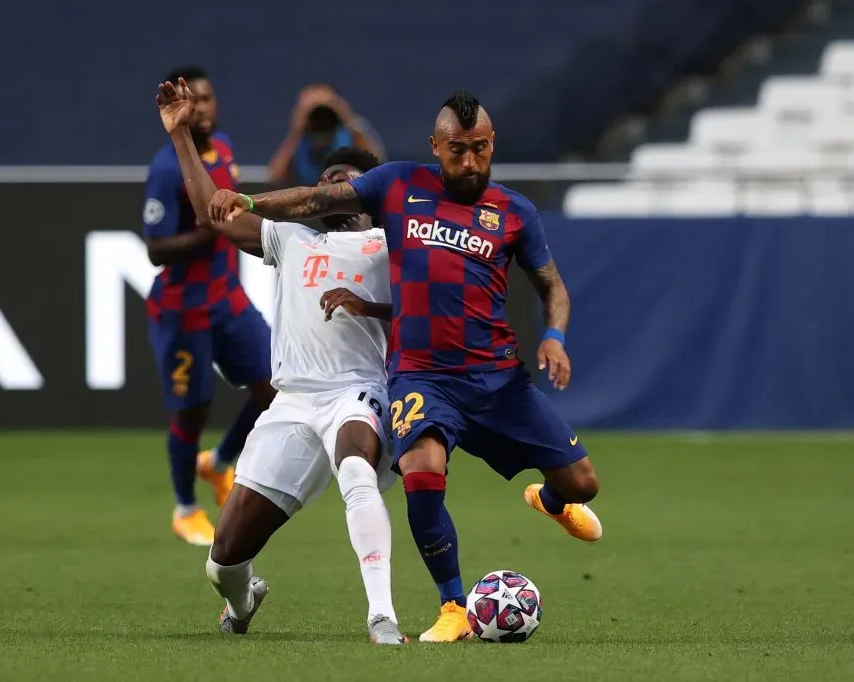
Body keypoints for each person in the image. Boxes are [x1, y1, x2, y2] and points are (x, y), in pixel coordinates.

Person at [208, 91, 603, 643]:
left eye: (481, 149)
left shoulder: (514, 211)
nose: (470, 162)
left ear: (493, 145)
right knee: (421, 475)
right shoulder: (396, 185)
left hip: (497, 378)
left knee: (584, 483)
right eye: (458, 150)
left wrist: (556, 337)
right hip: (422, 377)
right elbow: (314, 200)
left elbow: (552, 285)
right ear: (435, 147)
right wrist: (250, 203)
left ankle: (552, 499)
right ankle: (452, 607)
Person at [155, 78, 406, 645]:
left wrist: (369, 305)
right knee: (223, 559)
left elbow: (430, 311)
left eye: (343, 183)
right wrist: (181, 138)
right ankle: (243, 602)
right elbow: (210, 211)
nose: (328, 191)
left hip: (357, 390)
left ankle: (382, 617)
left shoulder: (392, 246)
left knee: (357, 469)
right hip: (292, 403)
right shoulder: (291, 239)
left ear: (367, 194)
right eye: (322, 183)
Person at [142, 66, 276, 546]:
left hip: (229, 299)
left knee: (274, 385)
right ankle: (184, 509)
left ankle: (217, 463)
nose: (200, 106)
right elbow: (156, 249)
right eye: (190, 100)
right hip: (184, 310)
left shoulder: (225, 148)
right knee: (191, 412)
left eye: (206, 97)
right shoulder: (165, 168)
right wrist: (208, 230)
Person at [267, 84, 385, 186]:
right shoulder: (300, 140)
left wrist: (347, 118)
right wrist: (296, 131)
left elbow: (377, 165)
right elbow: (274, 177)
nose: (321, 120)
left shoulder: (350, 134)